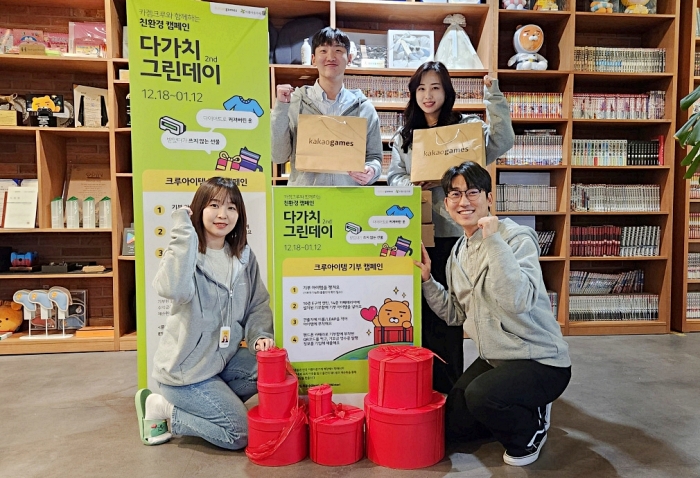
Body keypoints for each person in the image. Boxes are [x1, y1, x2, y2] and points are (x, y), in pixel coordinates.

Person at [416, 161, 571, 466]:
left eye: (472, 192)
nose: (464, 201)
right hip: (496, 359)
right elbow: (454, 315)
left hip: (540, 360)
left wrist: (493, 240)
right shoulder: (458, 253)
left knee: (483, 396)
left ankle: (533, 428)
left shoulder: (516, 238)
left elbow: (517, 301)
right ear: (446, 204)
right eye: (455, 194)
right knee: (454, 427)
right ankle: (513, 403)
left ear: (489, 197)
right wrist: (427, 281)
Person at [388, 61, 514, 393]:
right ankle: (416, 387)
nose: (428, 95)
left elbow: (502, 140)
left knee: (448, 316)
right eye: (421, 89)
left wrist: (493, 96)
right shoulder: (404, 137)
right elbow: (394, 177)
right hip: (418, 233)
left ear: (447, 92)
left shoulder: (466, 129)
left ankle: (448, 390)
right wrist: (415, 182)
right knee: (416, 313)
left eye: (435, 87)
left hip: (457, 236)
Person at [134, 177, 274, 449]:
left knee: (269, 367)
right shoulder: (188, 256)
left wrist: (259, 336)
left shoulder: (243, 256)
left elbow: (257, 303)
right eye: (214, 205)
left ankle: (211, 408)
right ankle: (164, 408)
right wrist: (183, 233)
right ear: (199, 209)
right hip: (185, 374)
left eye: (231, 207)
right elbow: (171, 289)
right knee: (239, 433)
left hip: (220, 364)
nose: (223, 215)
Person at [271, 27, 383, 186]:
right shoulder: (295, 102)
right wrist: (281, 108)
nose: (330, 57)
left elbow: (375, 157)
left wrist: (371, 170)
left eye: (338, 50)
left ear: (349, 58)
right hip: (306, 198)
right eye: (323, 51)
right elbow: (278, 156)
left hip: (348, 197)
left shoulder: (364, 108)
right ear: (313, 59)